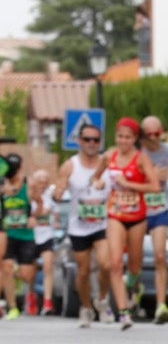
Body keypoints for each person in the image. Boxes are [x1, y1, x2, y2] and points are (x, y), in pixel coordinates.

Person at [94, 118, 159, 330]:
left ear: (135, 139)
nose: (123, 141)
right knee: (114, 264)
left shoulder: (141, 160)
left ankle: (133, 284)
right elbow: (95, 178)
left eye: (128, 137)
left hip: (137, 217)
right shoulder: (108, 156)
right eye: (120, 136)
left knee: (134, 265)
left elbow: (155, 187)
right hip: (115, 214)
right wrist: (99, 182)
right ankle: (123, 312)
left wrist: (129, 184)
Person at [53, 122, 114, 326]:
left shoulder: (107, 163)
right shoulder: (70, 165)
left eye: (95, 140)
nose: (91, 143)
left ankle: (102, 300)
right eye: (87, 139)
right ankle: (86, 307)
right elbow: (59, 188)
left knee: (106, 264)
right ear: (79, 141)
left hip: (102, 224)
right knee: (83, 271)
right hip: (78, 226)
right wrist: (57, 193)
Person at [140, 116, 168, 323]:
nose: (153, 138)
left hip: (159, 208)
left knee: (160, 256)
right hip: (137, 209)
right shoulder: (137, 153)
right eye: (148, 134)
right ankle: (132, 284)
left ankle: (161, 304)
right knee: (134, 260)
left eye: (157, 134)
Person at [1, 157, 39, 318]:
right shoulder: (2, 183)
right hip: (7, 233)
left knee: (26, 275)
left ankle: (13, 271)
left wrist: (34, 217)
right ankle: (12, 307)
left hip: (25, 235)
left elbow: (40, 203)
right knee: (6, 266)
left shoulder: (28, 185)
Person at [33, 170, 62, 315]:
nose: (42, 185)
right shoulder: (29, 196)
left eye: (45, 182)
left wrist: (56, 222)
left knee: (48, 267)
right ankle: (31, 298)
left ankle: (47, 303)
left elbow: (56, 215)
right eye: (40, 181)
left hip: (47, 236)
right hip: (31, 237)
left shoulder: (51, 197)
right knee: (29, 272)